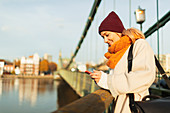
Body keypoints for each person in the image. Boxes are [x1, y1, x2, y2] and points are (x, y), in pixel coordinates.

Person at [90, 11, 155, 113]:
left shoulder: (140, 45)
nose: (105, 40)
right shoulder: (117, 55)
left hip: (135, 108)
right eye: (103, 37)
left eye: (107, 35)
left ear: (118, 32)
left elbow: (144, 77)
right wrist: (101, 79)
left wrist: (107, 80)